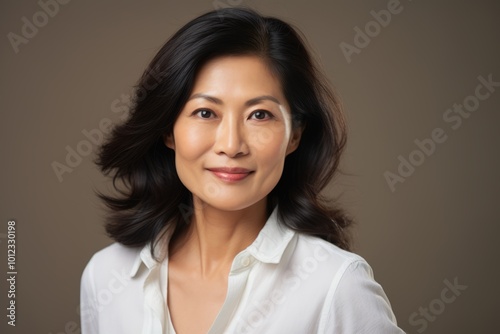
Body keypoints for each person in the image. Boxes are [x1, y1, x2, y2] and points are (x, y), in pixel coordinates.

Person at [80, 7, 405, 334]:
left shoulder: (337, 286)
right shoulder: (106, 276)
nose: (232, 145)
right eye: (206, 112)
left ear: (294, 135)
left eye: (260, 115)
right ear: (168, 130)